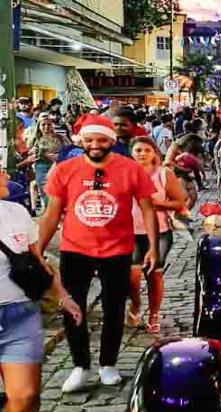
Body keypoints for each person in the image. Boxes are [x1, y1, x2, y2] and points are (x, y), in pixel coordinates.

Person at [37, 115, 159, 393]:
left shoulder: (130, 169)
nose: (95, 145)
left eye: (102, 140)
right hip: (74, 249)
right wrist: (38, 251)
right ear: (81, 141)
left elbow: (148, 208)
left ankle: (108, 364)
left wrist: (152, 246)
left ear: (111, 142)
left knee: (114, 308)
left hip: (117, 249)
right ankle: (80, 365)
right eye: (89, 140)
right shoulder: (64, 169)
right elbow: (52, 213)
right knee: (72, 306)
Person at [0, 171, 81, 412]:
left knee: (27, 395)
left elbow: (38, 261)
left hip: (19, 314)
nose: (5, 174)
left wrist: (64, 296)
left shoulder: (16, 212)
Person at [127, 137, 187, 333]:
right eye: (138, 150)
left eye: (147, 150)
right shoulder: (125, 174)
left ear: (154, 153)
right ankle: (135, 304)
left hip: (159, 232)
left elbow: (179, 202)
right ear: (131, 153)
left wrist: (155, 204)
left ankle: (154, 314)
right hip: (131, 232)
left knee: (154, 275)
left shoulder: (164, 174)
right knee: (132, 276)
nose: (142, 154)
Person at [26, 115, 70, 208]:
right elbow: (26, 154)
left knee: (57, 190)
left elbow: (71, 152)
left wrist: (59, 157)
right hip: (41, 166)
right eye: (43, 125)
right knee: (44, 190)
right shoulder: (34, 139)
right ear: (39, 126)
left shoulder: (61, 138)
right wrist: (32, 153)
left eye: (49, 124)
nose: (46, 127)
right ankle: (47, 209)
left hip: (58, 166)